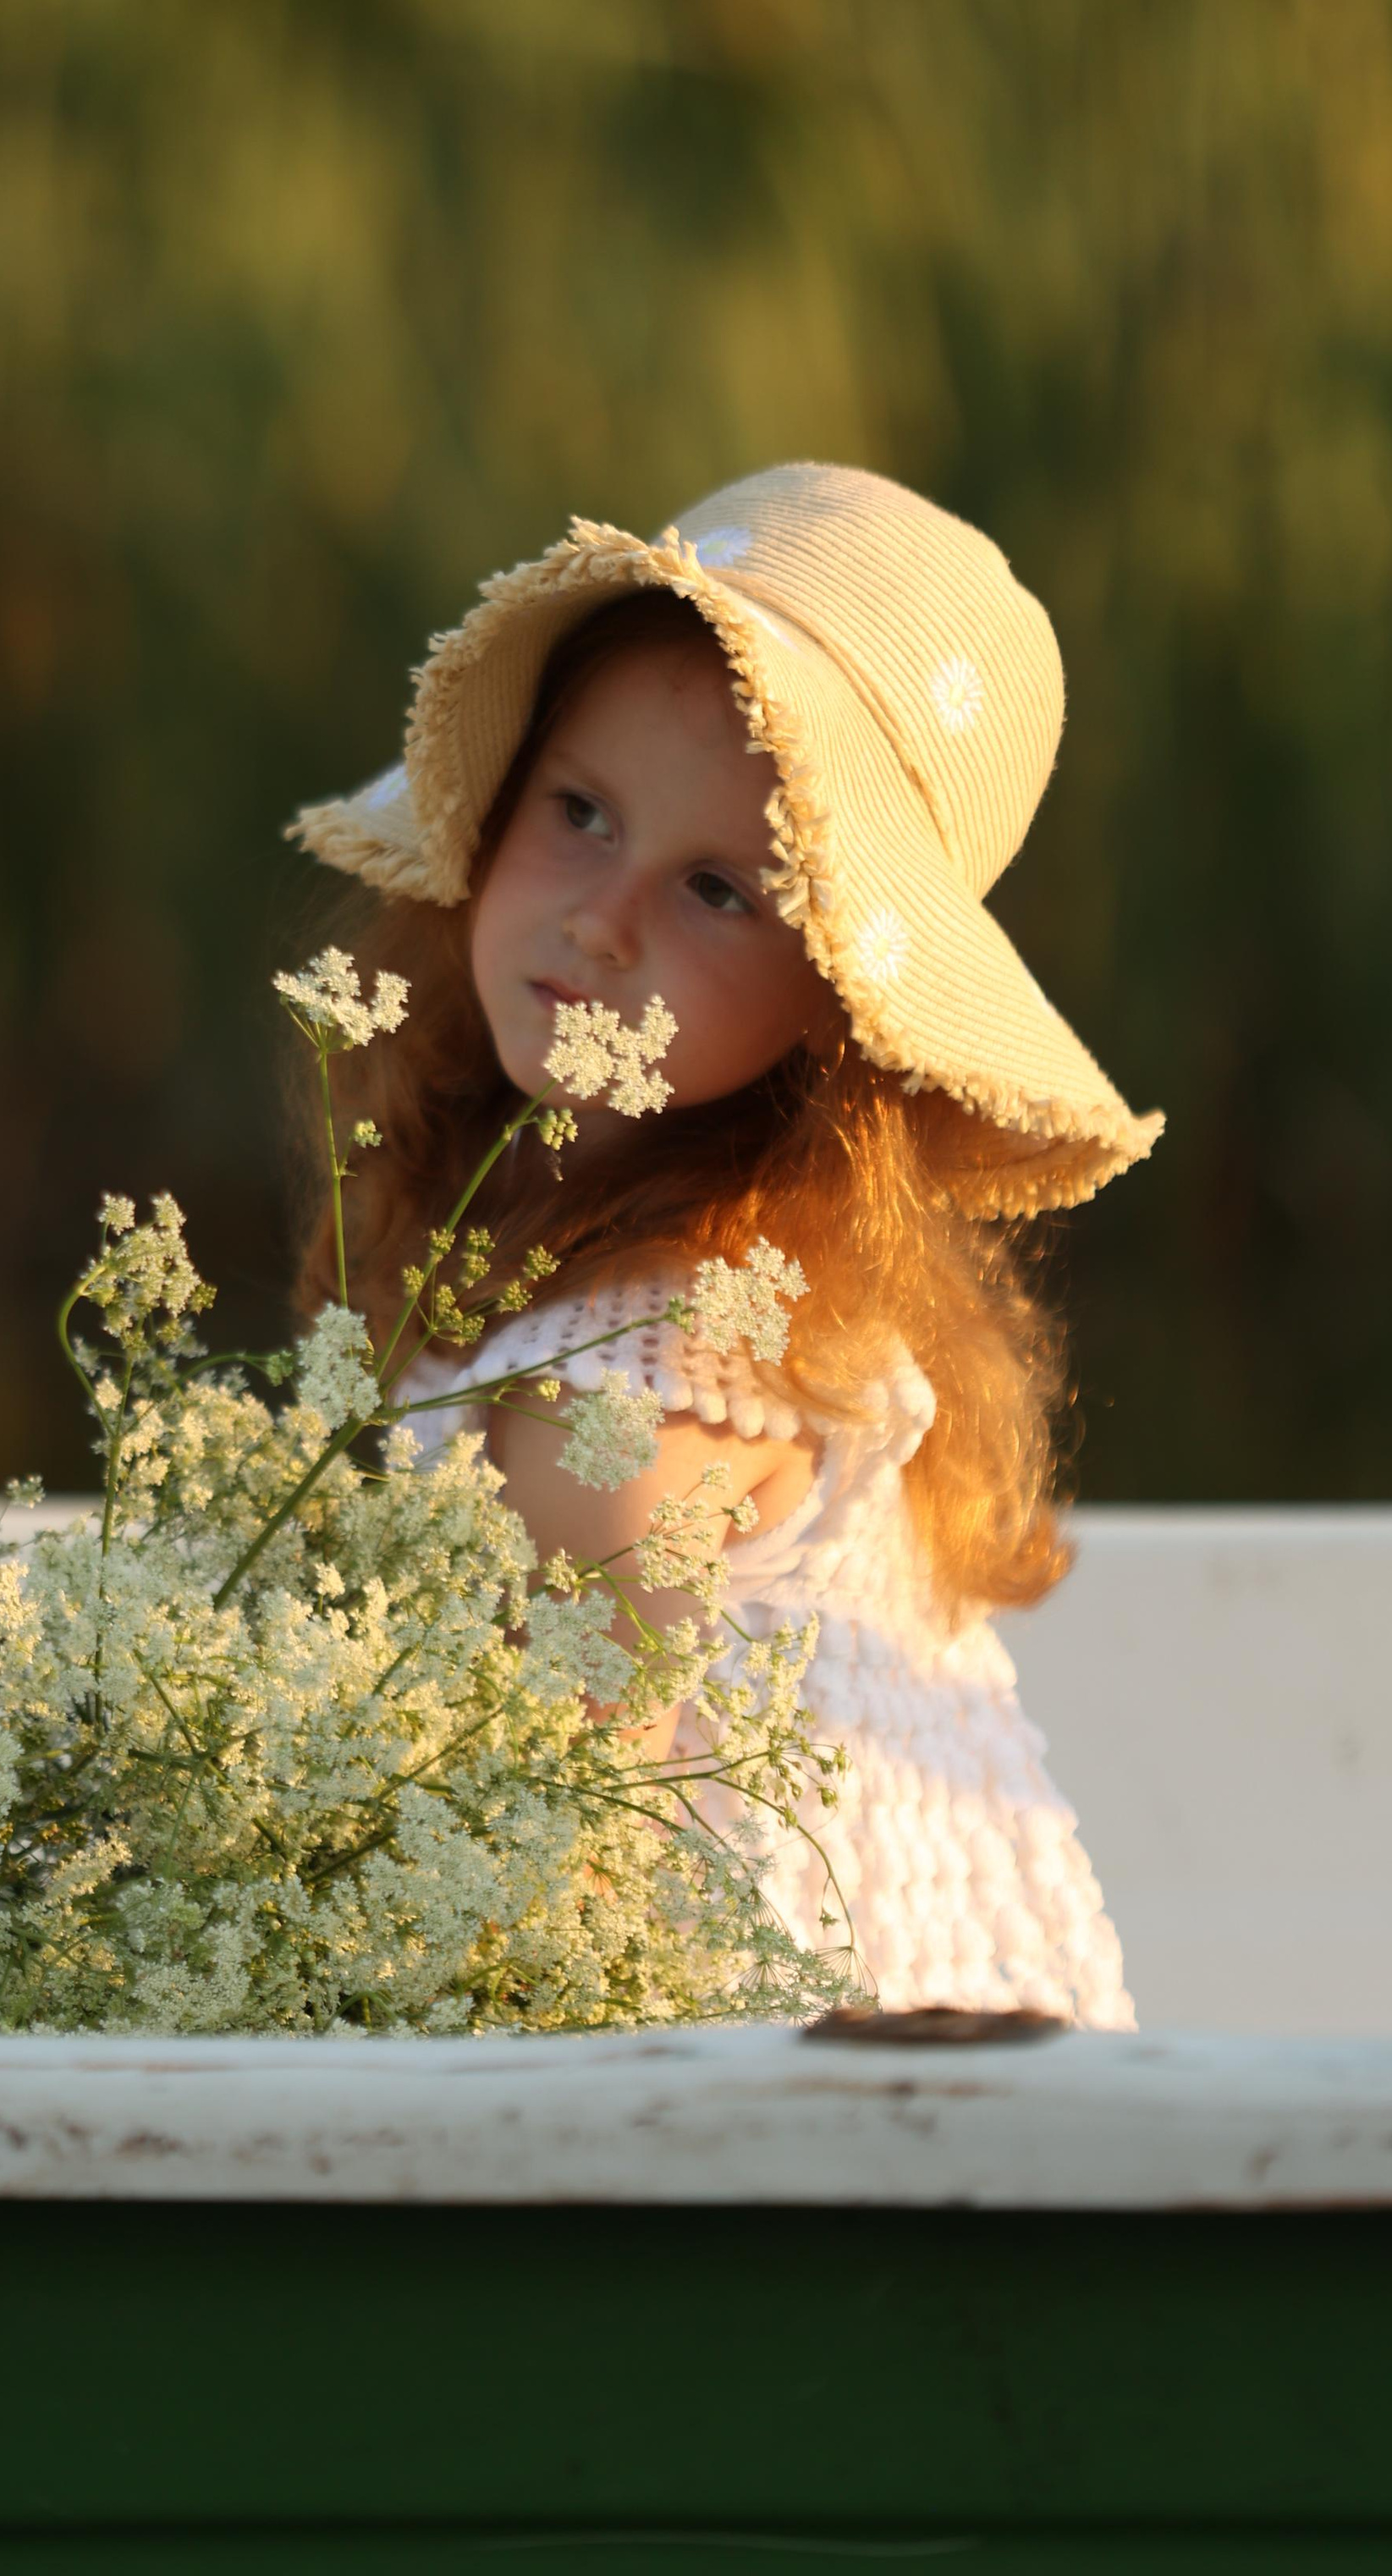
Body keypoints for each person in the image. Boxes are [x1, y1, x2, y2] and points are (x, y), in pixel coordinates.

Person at [286, 461, 1159, 2027]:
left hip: (797, 2126)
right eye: (580, 812)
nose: (604, 921)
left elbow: (542, 1907)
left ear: (839, 1009)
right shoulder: (676, 1277)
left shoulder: (634, 1408)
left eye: (715, 889)